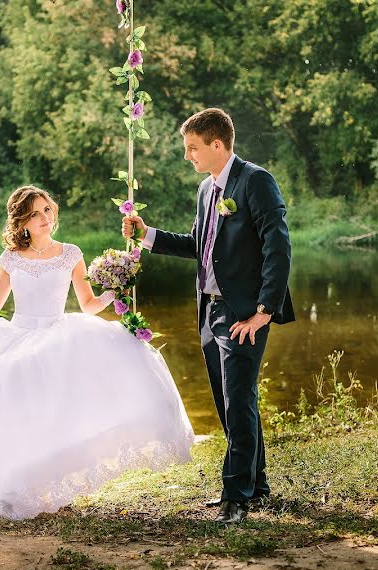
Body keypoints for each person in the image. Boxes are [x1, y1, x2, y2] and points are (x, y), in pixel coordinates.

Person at [0, 185, 195, 520]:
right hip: (20, 332)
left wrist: (115, 290)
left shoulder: (70, 253)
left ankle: (48, 478)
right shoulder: (10, 258)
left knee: (60, 397)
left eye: (48, 210)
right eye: (36, 213)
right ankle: (14, 479)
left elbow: (88, 305)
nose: (44, 218)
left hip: (57, 330)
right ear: (22, 221)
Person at [122, 108, 294, 524]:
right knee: (230, 403)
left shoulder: (255, 181)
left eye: (193, 148)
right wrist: (146, 235)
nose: (188, 156)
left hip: (243, 314)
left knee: (238, 404)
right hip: (208, 310)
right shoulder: (206, 190)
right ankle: (257, 486)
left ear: (217, 145)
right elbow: (198, 244)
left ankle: (235, 496)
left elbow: (278, 247)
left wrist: (263, 312)